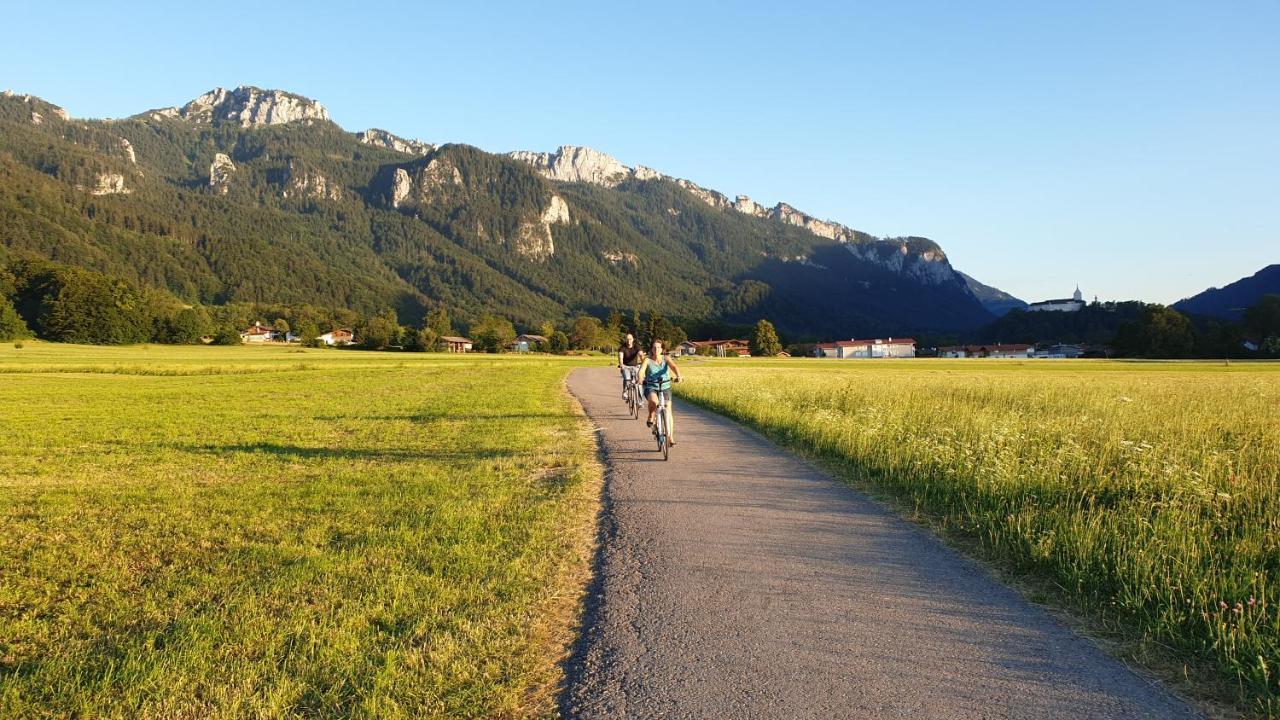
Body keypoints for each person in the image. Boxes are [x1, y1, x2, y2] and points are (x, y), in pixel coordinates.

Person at [639, 339, 683, 446]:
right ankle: (651, 415)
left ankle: (670, 437)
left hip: (665, 387)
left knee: (668, 409)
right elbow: (641, 371)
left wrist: (678, 376)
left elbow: (674, 367)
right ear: (651, 349)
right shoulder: (647, 360)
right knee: (654, 401)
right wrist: (640, 378)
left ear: (662, 349)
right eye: (654, 347)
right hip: (651, 386)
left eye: (658, 347)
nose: (656, 349)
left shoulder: (666, 358)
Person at [617, 332, 643, 400]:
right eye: (627, 339)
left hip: (635, 366)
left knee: (639, 381)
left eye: (630, 339)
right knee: (627, 378)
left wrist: (644, 363)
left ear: (633, 339)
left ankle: (640, 400)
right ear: (625, 340)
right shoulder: (622, 347)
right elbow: (620, 357)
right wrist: (621, 365)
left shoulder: (636, 346)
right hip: (625, 366)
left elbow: (641, 354)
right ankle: (625, 392)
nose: (629, 341)